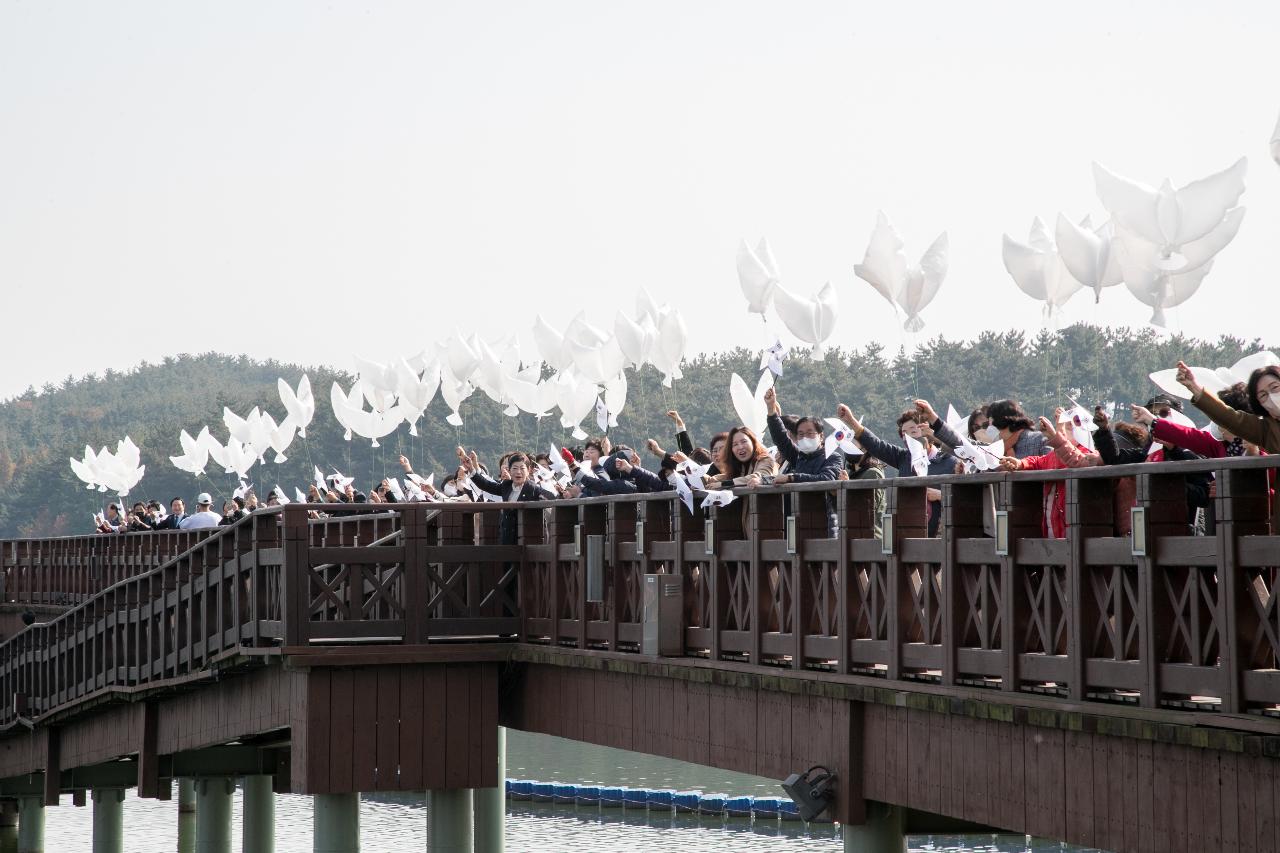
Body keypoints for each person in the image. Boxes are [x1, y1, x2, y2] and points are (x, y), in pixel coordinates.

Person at [834, 399, 963, 536]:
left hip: (941, 538)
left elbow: (964, 500)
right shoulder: (903, 458)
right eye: (903, 434)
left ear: (927, 430)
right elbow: (877, 445)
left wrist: (939, 495)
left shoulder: (950, 462)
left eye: (913, 430)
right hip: (908, 535)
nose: (908, 437)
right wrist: (851, 421)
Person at [1176, 361, 1280, 454]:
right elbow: (1228, 416)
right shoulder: (1265, 429)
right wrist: (1194, 387)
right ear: (1259, 404)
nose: (1271, 396)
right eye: (1263, 395)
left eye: (1275, 387)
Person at [459, 448, 544, 544]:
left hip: (526, 540)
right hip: (507, 539)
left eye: (522, 468)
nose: (518, 472)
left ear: (528, 470)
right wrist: (471, 468)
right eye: (515, 468)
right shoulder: (507, 486)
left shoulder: (533, 489)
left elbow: (546, 503)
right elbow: (486, 485)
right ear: (509, 470)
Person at [707, 426, 777, 487]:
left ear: (753, 442)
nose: (740, 447)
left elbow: (760, 476)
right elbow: (733, 477)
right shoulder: (740, 466)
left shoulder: (765, 459)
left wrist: (723, 484)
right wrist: (710, 479)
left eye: (744, 441)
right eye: (735, 444)